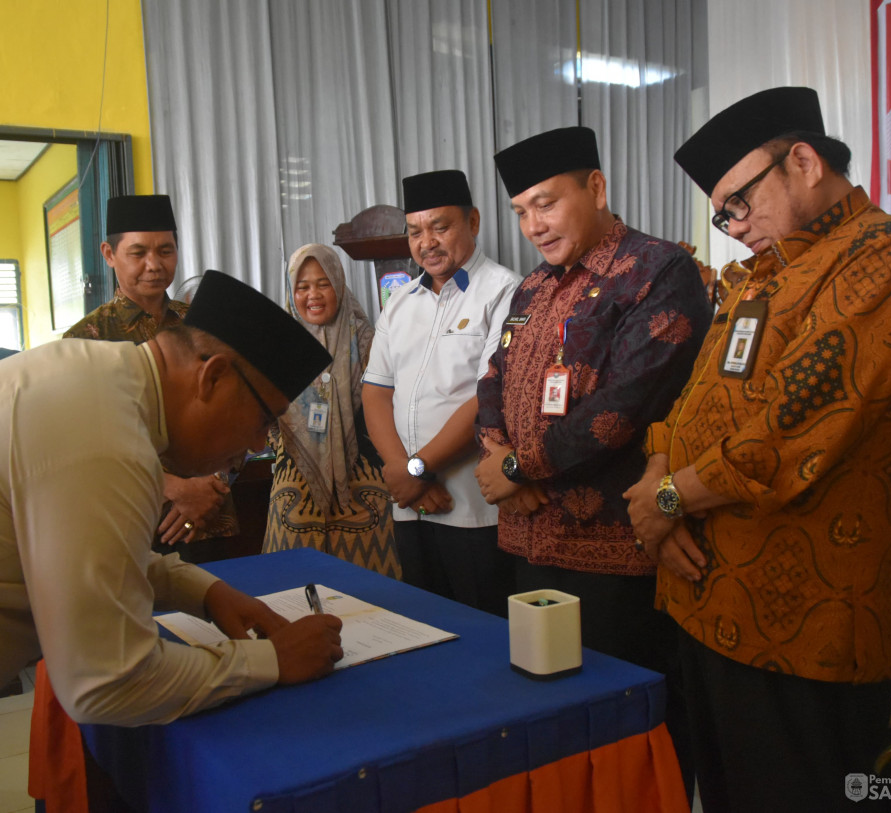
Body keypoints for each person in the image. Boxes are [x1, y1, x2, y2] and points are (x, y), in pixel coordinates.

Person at [0, 270, 342, 812]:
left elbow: (67, 550)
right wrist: (271, 661)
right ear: (212, 377)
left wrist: (203, 591)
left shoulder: (97, 382)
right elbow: (106, 682)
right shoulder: (106, 437)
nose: (255, 443)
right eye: (263, 419)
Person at [625, 86, 891, 812]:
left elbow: (785, 434)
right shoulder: (764, 273)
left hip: (807, 636)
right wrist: (659, 473)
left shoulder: (887, 260)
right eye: (723, 214)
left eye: (740, 204)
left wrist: (666, 499)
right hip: (710, 608)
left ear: (802, 159)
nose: (734, 227)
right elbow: (690, 405)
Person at [473, 126, 709, 790]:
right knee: (552, 734)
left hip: (618, 560)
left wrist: (518, 470)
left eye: (545, 203)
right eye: (521, 212)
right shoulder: (531, 289)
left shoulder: (658, 271)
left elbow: (620, 410)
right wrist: (496, 456)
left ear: (596, 187)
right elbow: (492, 377)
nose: (533, 225)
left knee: (628, 740)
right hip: (530, 548)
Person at [362, 169, 520, 614]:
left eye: (440, 226)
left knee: (484, 635)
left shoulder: (505, 291)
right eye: (414, 232)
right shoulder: (400, 303)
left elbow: (488, 396)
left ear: (473, 221)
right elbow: (376, 392)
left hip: (472, 510)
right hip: (411, 506)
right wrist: (404, 473)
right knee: (424, 629)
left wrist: (418, 469)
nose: (426, 242)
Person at [65, 194, 232, 555]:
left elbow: (237, 410)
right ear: (109, 254)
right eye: (138, 253)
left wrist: (211, 484)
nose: (154, 265)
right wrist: (172, 487)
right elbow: (85, 441)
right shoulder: (85, 339)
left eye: (166, 251)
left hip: (210, 513)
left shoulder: (205, 324)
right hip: (129, 520)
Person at [263, 243, 399, 577]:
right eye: (303, 286)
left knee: (374, 593)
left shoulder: (369, 339)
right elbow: (262, 413)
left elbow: (389, 404)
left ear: (338, 283)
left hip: (364, 480)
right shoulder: (277, 345)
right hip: (295, 482)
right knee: (293, 590)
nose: (314, 295)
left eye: (323, 283)